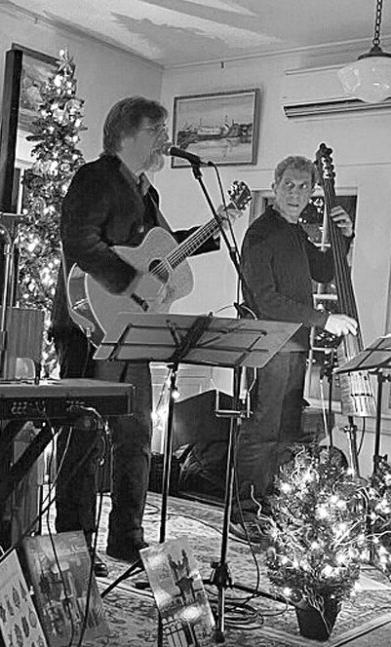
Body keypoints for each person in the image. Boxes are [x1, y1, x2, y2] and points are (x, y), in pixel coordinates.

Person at [50, 96, 223, 574]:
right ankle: (74, 543)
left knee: (137, 435)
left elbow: (159, 251)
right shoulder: (94, 178)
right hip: (89, 325)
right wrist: (129, 281)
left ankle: (126, 537)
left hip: (133, 328)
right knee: (83, 436)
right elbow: (79, 241)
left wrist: (211, 231)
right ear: (127, 134)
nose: (165, 141)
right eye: (156, 131)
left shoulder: (148, 194)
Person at [232, 155, 357, 542]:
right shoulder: (261, 233)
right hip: (269, 346)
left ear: (312, 192)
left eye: (304, 187)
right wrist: (323, 319)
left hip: (295, 346)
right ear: (275, 186)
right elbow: (266, 300)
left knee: (285, 431)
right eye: (289, 185)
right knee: (262, 430)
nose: (296, 193)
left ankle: (269, 505)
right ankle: (244, 512)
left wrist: (344, 236)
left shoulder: (296, 232)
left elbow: (324, 270)